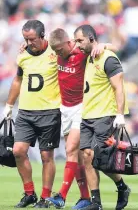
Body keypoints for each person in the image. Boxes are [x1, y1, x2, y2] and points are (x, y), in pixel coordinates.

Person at [45, 28, 119, 210]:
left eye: (60, 50)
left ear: (69, 42)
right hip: (64, 108)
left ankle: (61, 196)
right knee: (78, 157)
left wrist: (104, 45)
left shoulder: (82, 52)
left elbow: (113, 47)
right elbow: (40, 48)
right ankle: (85, 197)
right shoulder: (56, 51)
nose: (58, 54)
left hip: (81, 107)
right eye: (55, 51)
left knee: (71, 148)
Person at [3, 20, 61, 208]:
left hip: (49, 112)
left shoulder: (56, 52)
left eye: (32, 39)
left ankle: (45, 197)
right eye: (25, 39)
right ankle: (30, 194)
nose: (28, 43)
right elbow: (18, 80)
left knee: (46, 157)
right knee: (18, 151)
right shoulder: (23, 56)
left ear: (43, 35)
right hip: (26, 112)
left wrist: (103, 45)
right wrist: (9, 105)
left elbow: (75, 45)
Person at [74, 24, 131, 210]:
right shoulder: (89, 56)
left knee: (101, 160)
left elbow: (119, 87)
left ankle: (122, 187)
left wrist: (120, 115)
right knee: (86, 157)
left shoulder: (108, 58)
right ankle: (96, 203)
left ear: (91, 38)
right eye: (76, 41)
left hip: (105, 115)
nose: (77, 45)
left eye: (80, 40)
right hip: (88, 115)